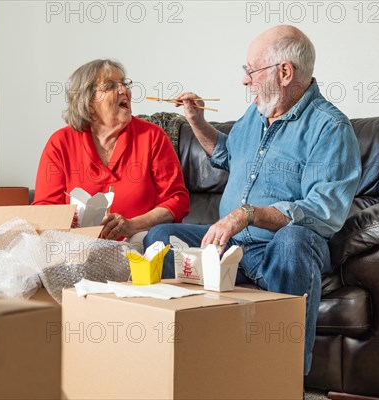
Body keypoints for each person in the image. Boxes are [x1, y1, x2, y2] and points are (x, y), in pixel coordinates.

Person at [143, 25, 361, 375]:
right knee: (159, 240)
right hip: (233, 247)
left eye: (251, 70)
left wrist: (249, 214)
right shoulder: (254, 116)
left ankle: (283, 378)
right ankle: (185, 366)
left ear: (285, 72)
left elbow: (325, 211)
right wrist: (197, 121)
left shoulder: (329, 128)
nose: (245, 81)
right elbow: (227, 155)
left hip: (281, 249)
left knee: (294, 239)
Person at [33, 59, 189, 246]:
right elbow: (45, 209)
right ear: (89, 103)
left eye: (124, 83)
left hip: (137, 242)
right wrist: (70, 226)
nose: (123, 90)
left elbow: (176, 200)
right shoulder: (60, 143)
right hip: (75, 246)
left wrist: (131, 225)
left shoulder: (152, 137)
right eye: (110, 86)